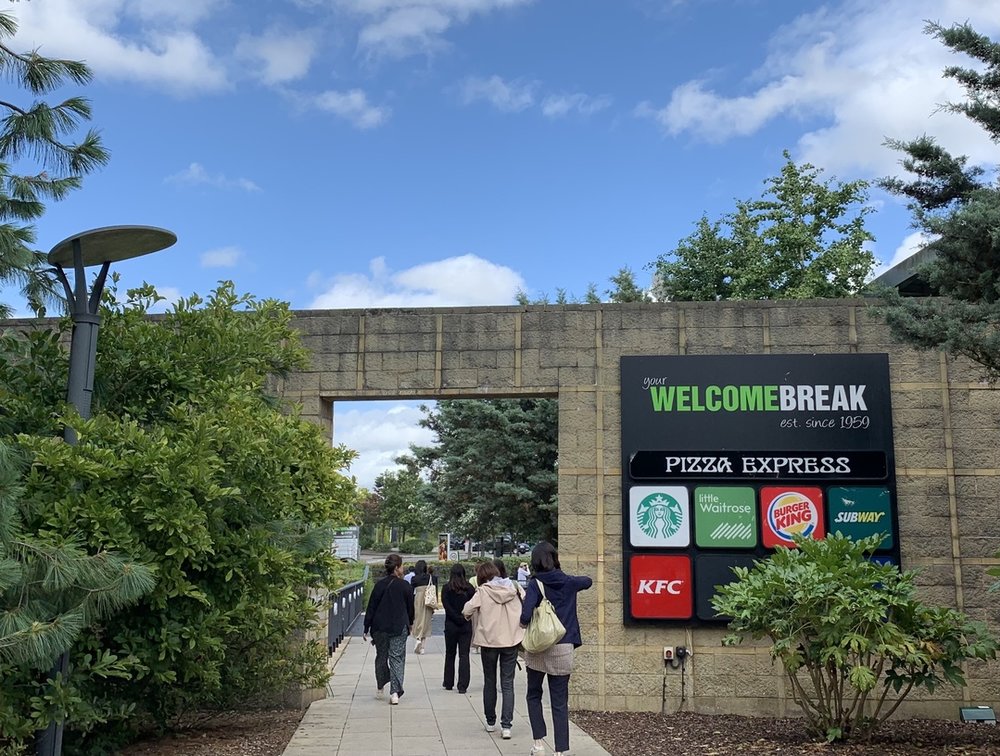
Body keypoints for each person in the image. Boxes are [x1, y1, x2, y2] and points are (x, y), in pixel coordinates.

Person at [519, 541, 593, 756]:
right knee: (559, 701)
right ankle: (561, 750)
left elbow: (525, 616)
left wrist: (524, 624)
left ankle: (538, 744)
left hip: (538, 647)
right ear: (555, 558)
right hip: (563, 646)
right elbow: (587, 581)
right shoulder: (569, 582)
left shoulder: (535, 584)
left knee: (534, 694)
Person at [462, 561, 525, 740]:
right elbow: (527, 603)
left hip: (489, 642)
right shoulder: (514, 587)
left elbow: (467, 609)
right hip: (511, 641)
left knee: (490, 681)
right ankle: (507, 726)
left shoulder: (482, 591)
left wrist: (470, 615)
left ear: (482, 577)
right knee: (508, 683)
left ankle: (490, 722)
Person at [362, 553, 414, 705]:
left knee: (381, 656)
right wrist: (410, 623)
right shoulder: (405, 586)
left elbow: (371, 606)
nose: (403, 568)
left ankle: (380, 686)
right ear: (397, 568)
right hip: (399, 626)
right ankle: (395, 692)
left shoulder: (379, 585)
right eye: (402, 566)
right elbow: (410, 608)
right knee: (396, 658)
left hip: (380, 627)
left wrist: (366, 626)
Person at [440, 563, 474, 693]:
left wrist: (455, 617)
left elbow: (446, 607)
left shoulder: (446, 588)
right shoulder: (469, 589)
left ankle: (448, 682)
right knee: (464, 655)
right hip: (466, 624)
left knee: (450, 654)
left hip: (451, 625)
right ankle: (463, 685)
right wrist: (464, 617)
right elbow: (473, 605)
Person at [410, 560, 436, 654]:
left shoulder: (414, 579)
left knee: (417, 619)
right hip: (428, 600)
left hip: (418, 599)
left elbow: (410, 592)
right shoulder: (430, 577)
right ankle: (423, 648)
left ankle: (418, 638)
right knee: (426, 621)